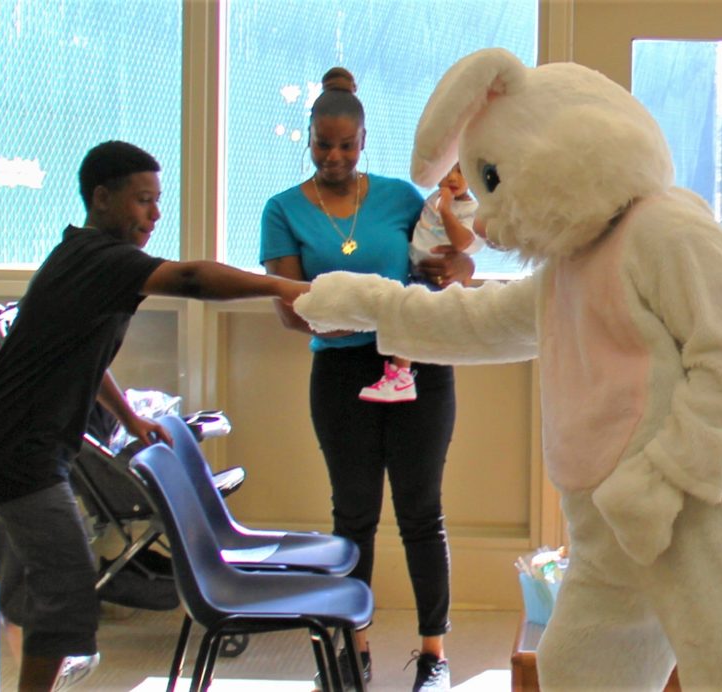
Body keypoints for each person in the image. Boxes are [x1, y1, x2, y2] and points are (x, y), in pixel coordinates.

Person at [0, 140, 307, 692]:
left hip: (9, 435)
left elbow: (83, 357)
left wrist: (127, 414)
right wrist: (284, 286)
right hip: (16, 445)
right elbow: (193, 279)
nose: (155, 214)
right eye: (143, 200)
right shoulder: (100, 258)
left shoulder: (84, 259)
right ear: (102, 199)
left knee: (37, 580)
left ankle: (32, 675)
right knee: (68, 583)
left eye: (158, 200)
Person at [260, 67, 473, 692]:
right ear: (308, 138)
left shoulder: (403, 199)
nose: (333, 156)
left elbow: (444, 270)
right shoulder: (282, 209)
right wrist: (361, 315)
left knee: (421, 513)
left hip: (419, 367)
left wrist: (456, 268)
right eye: (323, 144)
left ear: (362, 143)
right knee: (353, 515)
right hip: (342, 373)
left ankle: (434, 654)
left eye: (345, 146)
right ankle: (355, 648)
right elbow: (291, 310)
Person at [359, 162, 482, 403]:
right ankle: (401, 373)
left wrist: (446, 211)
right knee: (403, 314)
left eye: (461, 171)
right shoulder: (430, 200)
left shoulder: (470, 209)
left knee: (406, 316)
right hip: (416, 273)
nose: (453, 178)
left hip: (438, 279)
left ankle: (402, 376)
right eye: (445, 172)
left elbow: (463, 242)